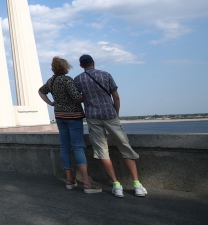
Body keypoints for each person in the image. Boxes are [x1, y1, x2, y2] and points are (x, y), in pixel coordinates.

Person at [73, 54, 147, 198]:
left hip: (93, 117)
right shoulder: (106, 75)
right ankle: (137, 184)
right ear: (93, 63)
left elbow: (77, 99)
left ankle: (116, 185)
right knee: (124, 147)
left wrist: (87, 96)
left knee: (102, 151)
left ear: (81, 65)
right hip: (110, 114)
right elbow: (116, 97)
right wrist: (116, 113)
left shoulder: (78, 79)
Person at [39, 57, 102, 194]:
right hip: (73, 116)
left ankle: (69, 179)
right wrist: (86, 94)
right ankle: (86, 182)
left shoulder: (52, 80)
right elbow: (76, 98)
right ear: (66, 67)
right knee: (78, 146)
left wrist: (51, 103)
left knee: (64, 146)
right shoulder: (67, 80)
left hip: (59, 116)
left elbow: (41, 91)